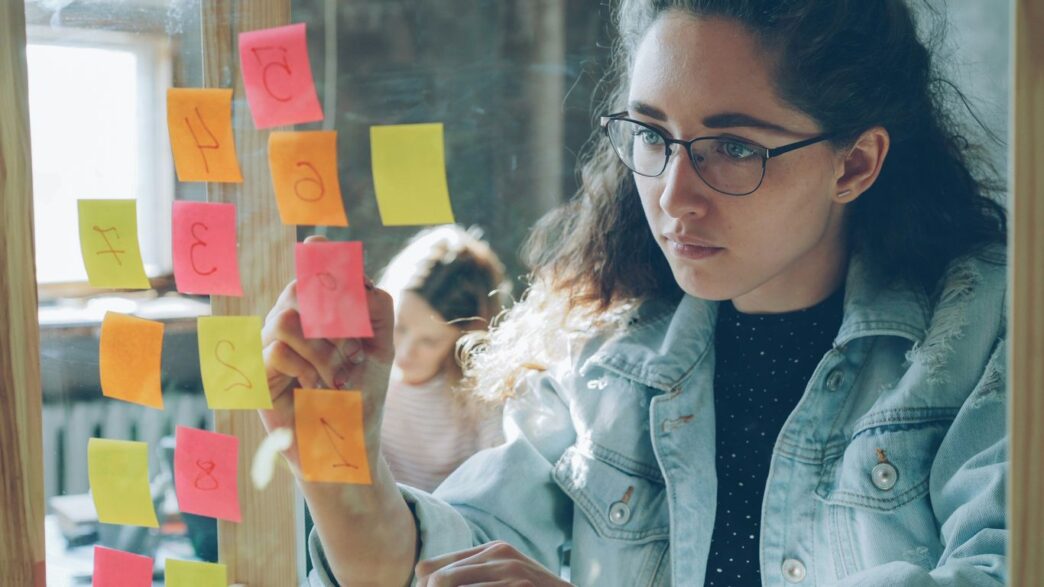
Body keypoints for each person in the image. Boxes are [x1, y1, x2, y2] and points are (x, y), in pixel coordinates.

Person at [260, 1, 1009, 585]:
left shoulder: (987, 331)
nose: (673, 194)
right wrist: (343, 464)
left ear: (855, 164)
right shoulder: (610, 354)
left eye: (734, 148)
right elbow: (447, 561)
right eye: (652, 136)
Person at [375, 225, 509, 492]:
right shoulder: (366, 379)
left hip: (453, 526)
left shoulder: (478, 397)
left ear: (462, 340)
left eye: (429, 341)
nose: (404, 351)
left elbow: (501, 479)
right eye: (399, 326)